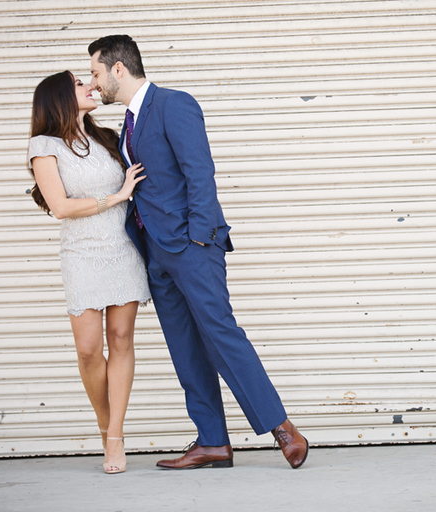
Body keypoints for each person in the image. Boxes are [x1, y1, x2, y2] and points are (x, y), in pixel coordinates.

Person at [88, 35, 309, 470]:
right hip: (155, 253)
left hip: (192, 247)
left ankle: (282, 427)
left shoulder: (174, 104)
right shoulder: (126, 126)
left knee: (221, 334)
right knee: (185, 348)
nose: (95, 85)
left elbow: (199, 172)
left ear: (118, 68)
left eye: (96, 73)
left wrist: (200, 240)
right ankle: (212, 441)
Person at [26, 70, 151, 474]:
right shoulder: (43, 145)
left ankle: (115, 436)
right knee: (88, 349)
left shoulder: (108, 138)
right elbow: (60, 207)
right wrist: (116, 196)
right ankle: (104, 423)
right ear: (61, 97)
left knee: (121, 339)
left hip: (122, 249)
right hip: (81, 254)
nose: (91, 87)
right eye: (82, 85)